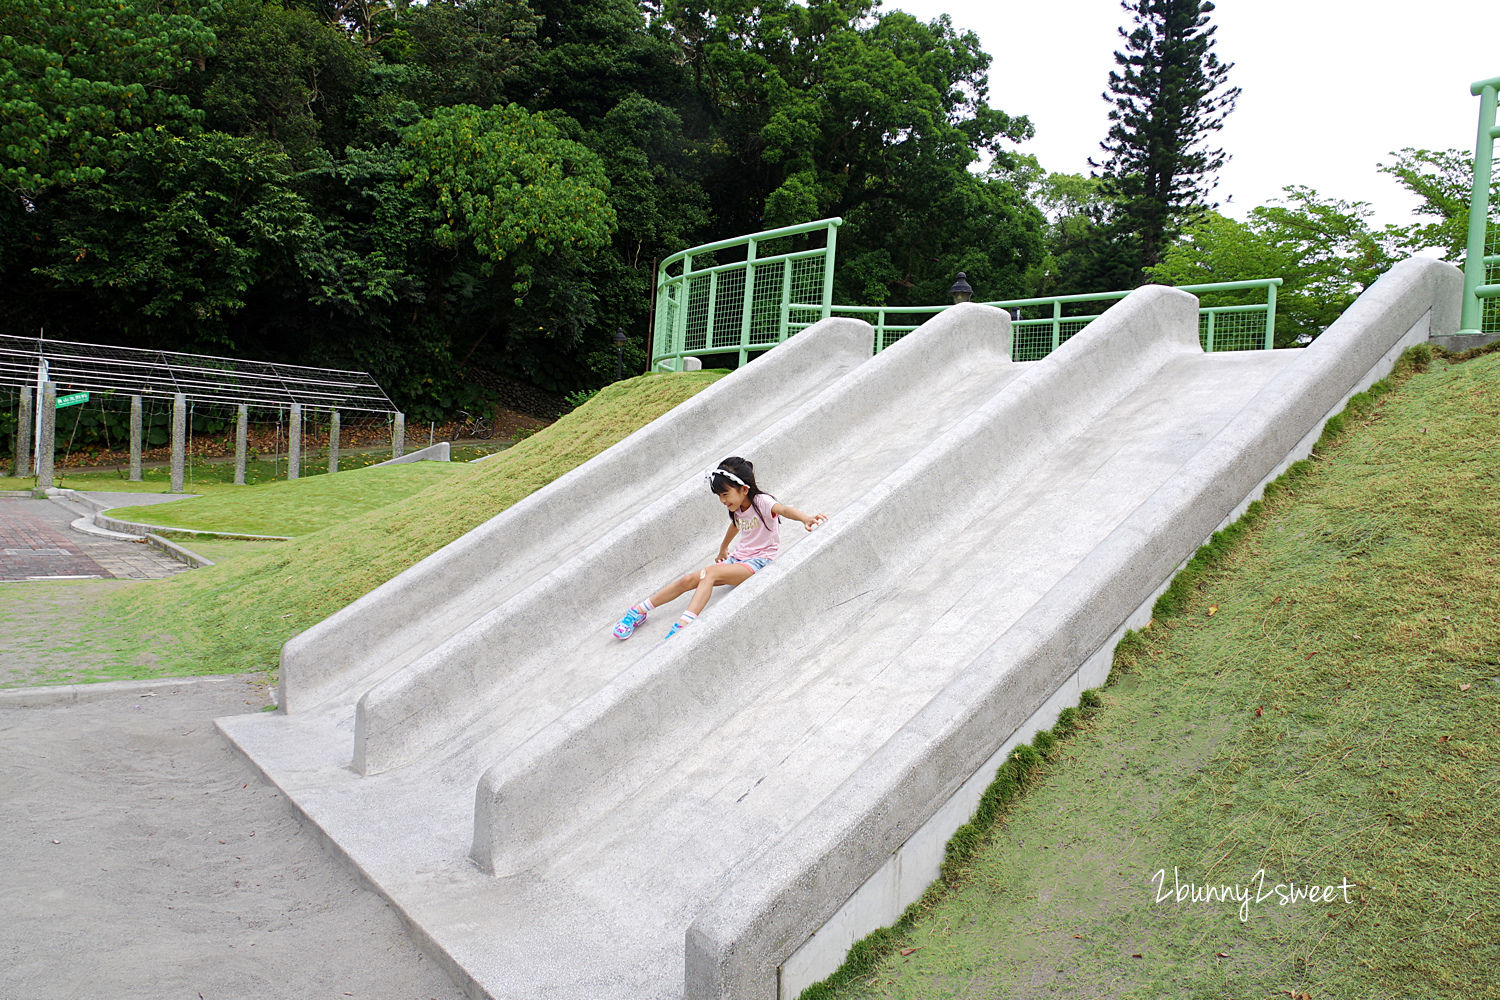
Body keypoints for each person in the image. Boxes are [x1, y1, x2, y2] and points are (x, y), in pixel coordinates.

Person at [612, 456, 828, 640]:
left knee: (710, 574)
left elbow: (784, 509)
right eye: (719, 497)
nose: (722, 501)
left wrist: (805, 518)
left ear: (744, 489)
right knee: (688, 579)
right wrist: (723, 548)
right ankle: (638, 611)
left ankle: (683, 627)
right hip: (737, 560)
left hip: (758, 562)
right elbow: (736, 525)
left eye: (725, 495)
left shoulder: (761, 501)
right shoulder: (737, 508)